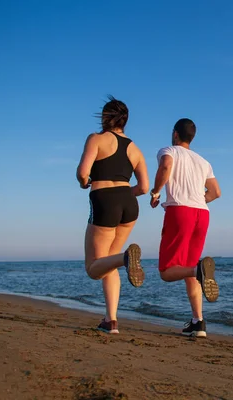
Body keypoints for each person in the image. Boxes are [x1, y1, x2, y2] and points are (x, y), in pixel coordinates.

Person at [76, 95, 149, 334]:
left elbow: (82, 172)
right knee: (108, 261)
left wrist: (85, 181)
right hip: (129, 203)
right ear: (125, 120)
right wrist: (124, 193)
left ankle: (126, 258)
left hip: (104, 200)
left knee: (93, 268)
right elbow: (144, 188)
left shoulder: (96, 139)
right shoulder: (135, 149)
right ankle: (111, 321)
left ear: (105, 117)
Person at [150, 118, 221, 338]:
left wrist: (156, 192)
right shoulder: (203, 161)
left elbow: (166, 166)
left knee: (167, 271)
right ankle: (198, 322)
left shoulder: (168, 150)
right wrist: (197, 200)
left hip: (180, 211)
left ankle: (197, 270)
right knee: (190, 268)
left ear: (175, 134)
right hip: (202, 214)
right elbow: (215, 192)